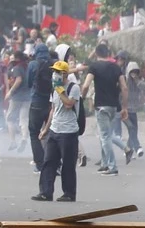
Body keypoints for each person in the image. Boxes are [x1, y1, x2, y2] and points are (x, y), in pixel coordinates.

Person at [31, 60, 81, 202]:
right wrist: (46, 129)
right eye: (54, 72)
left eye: (58, 72)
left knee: (68, 164)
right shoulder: (54, 88)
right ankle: (46, 192)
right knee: (49, 162)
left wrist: (60, 90)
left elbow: (68, 104)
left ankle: (69, 193)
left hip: (68, 131)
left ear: (65, 74)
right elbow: (53, 109)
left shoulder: (73, 88)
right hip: (55, 129)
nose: (55, 75)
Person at [82, 43, 130, 175]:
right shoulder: (115, 67)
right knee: (107, 134)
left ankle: (112, 166)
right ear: (108, 54)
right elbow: (124, 87)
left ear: (97, 54)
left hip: (101, 105)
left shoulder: (94, 67)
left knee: (105, 137)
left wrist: (82, 98)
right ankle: (104, 163)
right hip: (114, 106)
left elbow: (86, 85)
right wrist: (125, 106)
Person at [26, 44, 55, 173]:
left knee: (34, 133)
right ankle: (54, 163)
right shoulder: (54, 64)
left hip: (36, 103)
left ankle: (39, 164)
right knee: (50, 133)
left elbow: (28, 83)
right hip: (51, 103)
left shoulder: (33, 65)